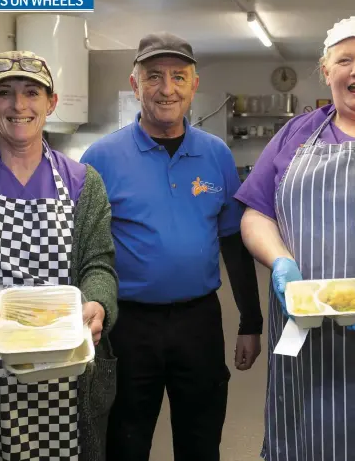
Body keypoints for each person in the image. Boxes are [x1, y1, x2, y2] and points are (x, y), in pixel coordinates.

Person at [235, 16, 355, 460]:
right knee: (304, 440)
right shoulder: (294, 134)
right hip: (304, 329)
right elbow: (256, 214)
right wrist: (279, 260)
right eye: (344, 60)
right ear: (325, 70)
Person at [80, 32, 263, 461]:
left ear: (194, 85)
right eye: (154, 77)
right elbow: (84, 250)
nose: (167, 89)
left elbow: (233, 242)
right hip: (126, 325)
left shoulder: (215, 154)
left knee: (201, 441)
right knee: (125, 440)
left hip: (198, 321)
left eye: (178, 76)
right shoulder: (100, 159)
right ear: (135, 83)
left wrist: (250, 322)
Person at [0, 50, 119, 461]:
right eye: (5, 93)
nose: (19, 105)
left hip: (66, 365)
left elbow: (98, 262)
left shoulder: (84, 182)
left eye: (32, 92)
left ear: (51, 102)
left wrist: (98, 302)